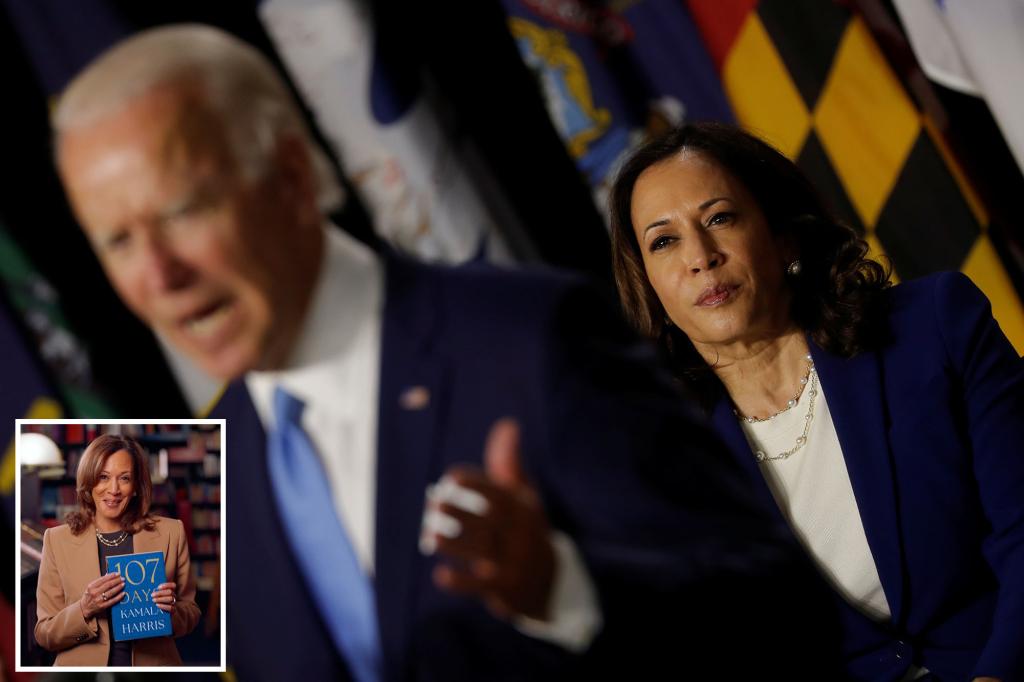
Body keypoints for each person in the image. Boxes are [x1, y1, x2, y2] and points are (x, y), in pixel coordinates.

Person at [52, 25, 838, 681]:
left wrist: (568, 594)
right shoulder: (185, 484)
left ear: (290, 176)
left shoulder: (528, 339)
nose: (159, 275)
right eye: (118, 240)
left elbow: (784, 617)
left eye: (184, 210)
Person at [609, 121, 1024, 682]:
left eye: (720, 218)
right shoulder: (668, 461)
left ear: (783, 236)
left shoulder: (933, 327)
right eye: (664, 241)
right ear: (649, 285)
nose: (700, 257)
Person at [35, 434, 200, 666]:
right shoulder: (57, 540)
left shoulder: (171, 532)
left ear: (136, 487)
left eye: (124, 478)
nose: (113, 490)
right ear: (89, 481)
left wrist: (172, 612)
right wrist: (84, 609)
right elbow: (44, 633)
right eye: (103, 477)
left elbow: (191, 613)